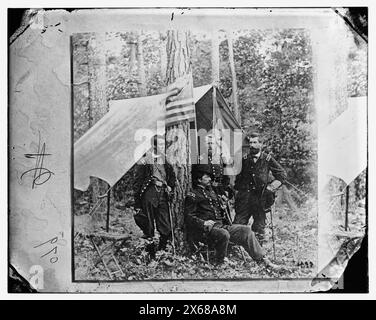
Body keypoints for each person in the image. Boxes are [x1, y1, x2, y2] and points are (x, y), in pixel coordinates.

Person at [184, 164, 280, 269]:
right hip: (205, 230)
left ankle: (262, 260)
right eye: (206, 177)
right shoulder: (193, 195)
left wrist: (223, 206)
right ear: (198, 179)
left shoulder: (211, 192)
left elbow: (218, 211)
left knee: (245, 230)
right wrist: (203, 223)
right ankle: (220, 262)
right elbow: (189, 216)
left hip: (220, 226)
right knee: (223, 234)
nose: (210, 179)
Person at [233, 132, 287, 244]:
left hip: (260, 199)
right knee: (238, 224)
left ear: (261, 144)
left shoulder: (267, 159)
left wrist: (271, 188)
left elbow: (282, 175)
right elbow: (238, 180)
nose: (251, 145)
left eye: (254, 142)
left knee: (259, 227)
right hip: (245, 199)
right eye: (250, 143)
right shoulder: (244, 159)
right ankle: (236, 250)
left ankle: (258, 253)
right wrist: (237, 194)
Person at [133, 135, 176, 250]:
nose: (162, 147)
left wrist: (170, 186)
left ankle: (161, 251)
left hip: (162, 194)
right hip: (149, 194)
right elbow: (137, 182)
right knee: (149, 227)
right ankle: (150, 253)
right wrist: (137, 203)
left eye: (163, 145)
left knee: (165, 226)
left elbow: (172, 176)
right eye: (160, 145)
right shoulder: (145, 159)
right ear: (154, 146)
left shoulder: (165, 159)